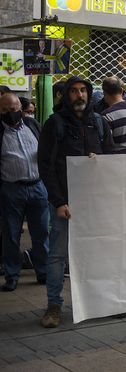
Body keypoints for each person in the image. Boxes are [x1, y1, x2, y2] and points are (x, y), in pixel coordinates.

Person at [38, 76, 111, 327]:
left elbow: (111, 159)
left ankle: (95, 301)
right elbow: (46, 166)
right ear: (64, 96)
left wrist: (98, 158)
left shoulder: (99, 123)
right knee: (57, 255)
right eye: (73, 91)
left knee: (96, 251)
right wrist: (58, 202)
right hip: (65, 203)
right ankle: (54, 306)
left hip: (94, 203)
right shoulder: (54, 124)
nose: (79, 95)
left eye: (83, 91)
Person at [0, 93, 49, 292]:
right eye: (4, 110)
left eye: (13, 110)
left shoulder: (33, 126)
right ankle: (12, 275)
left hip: (38, 187)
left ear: (20, 109)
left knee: (41, 232)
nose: (9, 113)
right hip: (12, 189)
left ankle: (43, 271)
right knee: (11, 234)